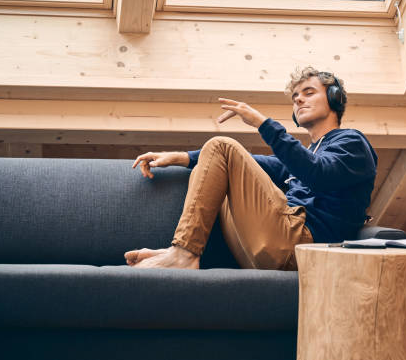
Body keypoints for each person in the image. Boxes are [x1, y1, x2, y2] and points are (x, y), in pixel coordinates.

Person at [125, 66, 378, 270]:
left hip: (301, 245)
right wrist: (179, 157)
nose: (299, 99)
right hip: (264, 249)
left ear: (334, 97)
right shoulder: (304, 155)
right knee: (220, 167)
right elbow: (252, 161)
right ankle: (183, 250)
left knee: (222, 145)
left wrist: (262, 123)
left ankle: (183, 253)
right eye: (295, 97)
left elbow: (319, 174)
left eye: (309, 92)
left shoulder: (352, 142)